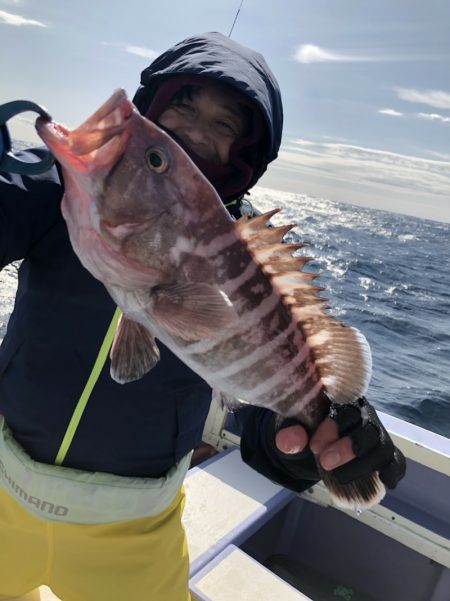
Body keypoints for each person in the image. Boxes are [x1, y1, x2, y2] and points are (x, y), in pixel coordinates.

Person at [0, 32, 405, 601]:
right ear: (156, 103)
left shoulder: (249, 272)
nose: (191, 128)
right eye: (184, 102)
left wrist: (319, 440)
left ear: (244, 152)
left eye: (224, 123)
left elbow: (263, 415)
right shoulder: (59, 189)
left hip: (135, 532)